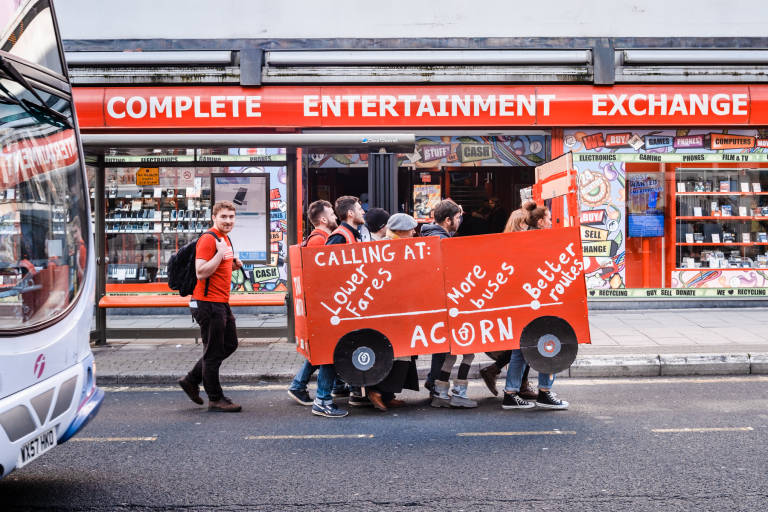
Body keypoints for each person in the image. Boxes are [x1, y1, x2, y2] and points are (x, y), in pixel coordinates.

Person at [501, 203, 568, 411]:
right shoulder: (542, 242)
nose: (551, 222)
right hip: (540, 303)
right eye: (548, 219)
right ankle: (545, 392)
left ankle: (511, 394)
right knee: (551, 345)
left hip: (522, 302)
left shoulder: (519, 242)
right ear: (540, 222)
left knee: (520, 350)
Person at [178, 201, 244, 412]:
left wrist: (232, 264)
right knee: (214, 352)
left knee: (230, 344)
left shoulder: (224, 238)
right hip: (207, 304)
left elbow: (219, 268)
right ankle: (215, 398)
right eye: (223, 217)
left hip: (220, 302)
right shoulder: (209, 239)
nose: (228, 221)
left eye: (231, 217)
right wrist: (219, 255)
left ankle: (191, 379)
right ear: (214, 217)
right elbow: (201, 271)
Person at [310, 196, 366, 418]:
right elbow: (324, 272)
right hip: (338, 308)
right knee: (332, 353)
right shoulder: (338, 237)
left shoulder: (352, 235)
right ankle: (322, 400)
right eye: (360, 209)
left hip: (347, 307)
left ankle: (342, 389)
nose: (363, 212)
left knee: (339, 352)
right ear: (350, 214)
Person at [287, 200, 346, 406]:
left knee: (323, 349)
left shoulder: (320, 238)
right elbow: (320, 278)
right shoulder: (319, 241)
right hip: (321, 306)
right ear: (322, 219)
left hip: (320, 305)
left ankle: (332, 385)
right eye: (331, 214)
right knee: (324, 350)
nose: (335, 217)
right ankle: (298, 386)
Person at [478, 203, 538, 399]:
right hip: (518, 299)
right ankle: (516, 382)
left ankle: (507, 376)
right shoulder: (515, 244)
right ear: (520, 224)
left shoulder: (508, 242)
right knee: (525, 342)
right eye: (526, 223)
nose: (528, 227)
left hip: (521, 297)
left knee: (523, 342)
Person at [365, 213, 420, 411]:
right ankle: (377, 391)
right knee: (395, 353)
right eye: (411, 229)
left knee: (404, 353)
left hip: (402, 308)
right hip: (388, 310)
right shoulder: (384, 247)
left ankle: (387, 394)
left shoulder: (402, 245)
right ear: (400, 231)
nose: (414, 232)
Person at [419, 199, 463, 397]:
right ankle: (435, 383)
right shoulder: (441, 240)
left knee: (444, 345)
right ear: (447, 220)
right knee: (445, 345)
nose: (459, 221)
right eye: (457, 217)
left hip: (434, 298)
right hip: (441, 299)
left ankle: (434, 381)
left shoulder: (431, 235)